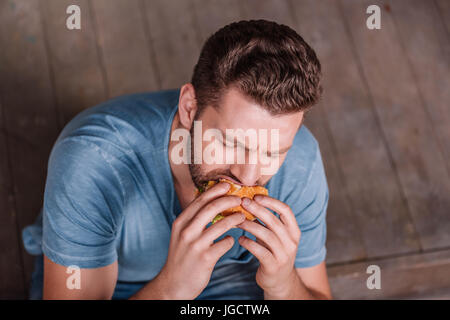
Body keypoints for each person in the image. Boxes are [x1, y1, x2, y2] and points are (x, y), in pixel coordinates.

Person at [22, 19, 332, 300]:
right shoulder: (92, 160)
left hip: (238, 282)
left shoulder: (302, 160)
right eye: (230, 144)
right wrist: (174, 288)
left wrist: (282, 285)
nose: (249, 177)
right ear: (188, 107)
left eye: (272, 153)